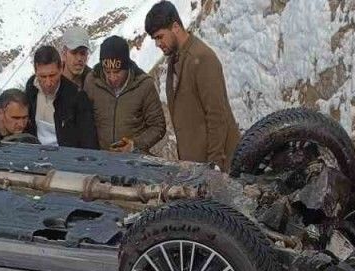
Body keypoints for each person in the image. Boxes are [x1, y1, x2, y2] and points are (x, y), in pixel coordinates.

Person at [144, 0, 240, 170]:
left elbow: (217, 115)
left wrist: (215, 164)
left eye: (159, 37)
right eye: (154, 39)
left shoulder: (202, 58)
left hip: (216, 167)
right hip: (195, 166)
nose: (157, 44)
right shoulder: (175, 59)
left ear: (175, 27)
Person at [84, 35, 166, 153]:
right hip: (102, 159)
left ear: (127, 67)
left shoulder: (144, 85)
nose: (112, 77)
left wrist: (135, 145)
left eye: (117, 72)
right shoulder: (92, 82)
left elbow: (158, 126)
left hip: (135, 161)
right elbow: (85, 122)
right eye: (107, 72)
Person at [24, 46, 99, 149]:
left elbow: (88, 140)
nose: (48, 82)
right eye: (42, 77)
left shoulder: (77, 97)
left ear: (60, 69)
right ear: (35, 71)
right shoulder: (31, 88)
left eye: (52, 75)